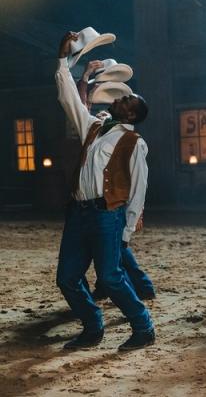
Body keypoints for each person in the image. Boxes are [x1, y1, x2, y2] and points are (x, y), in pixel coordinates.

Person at [55, 31, 154, 350]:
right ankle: (93, 326)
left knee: (110, 277)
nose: (121, 98)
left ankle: (143, 326)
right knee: (67, 278)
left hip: (107, 215)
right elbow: (69, 99)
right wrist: (64, 60)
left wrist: (127, 229)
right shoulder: (94, 127)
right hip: (78, 212)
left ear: (132, 114)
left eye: (128, 100)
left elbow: (139, 188)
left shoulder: (133, 141)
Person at [76, 60, 156, 301]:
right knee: (111, 249)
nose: (119, 100)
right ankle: (120, 286)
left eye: (126, 100)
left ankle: (141, 287)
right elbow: (81, 106)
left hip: (113, 200)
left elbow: (139, 182)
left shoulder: (128, 135)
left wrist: (134, 215)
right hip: (105, 198)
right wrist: (85, 80)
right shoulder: (105, 119)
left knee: (117, 247)